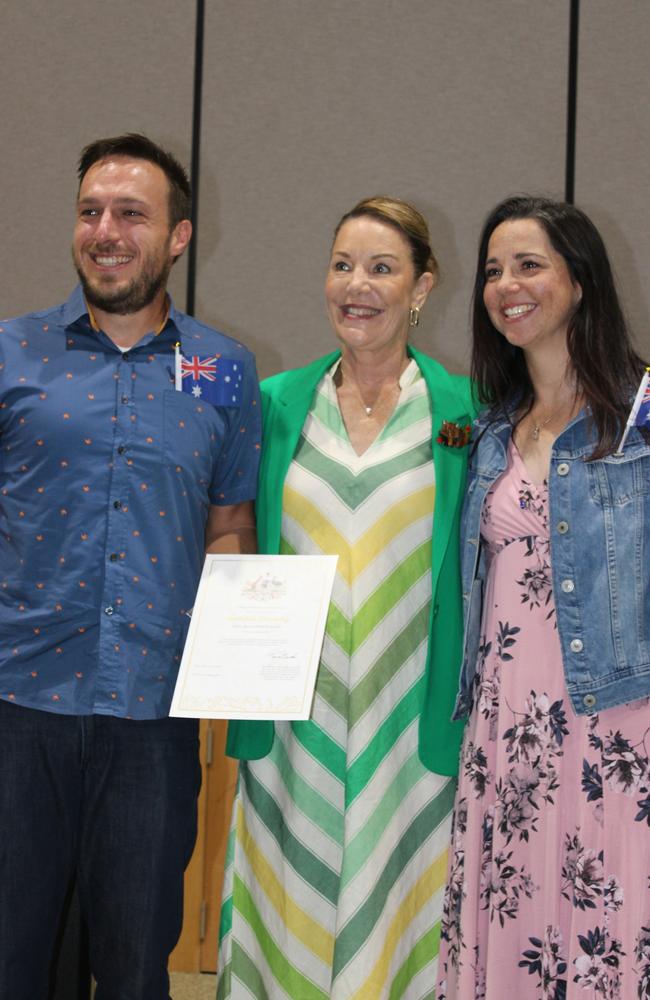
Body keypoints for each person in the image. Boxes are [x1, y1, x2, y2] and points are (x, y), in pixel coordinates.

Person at [0, 133, 260, 999]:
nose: (105, 230)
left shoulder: (221, 369)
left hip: (153, 718)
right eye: (89, 212)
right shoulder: (11, 354)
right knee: (13, 958)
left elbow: (230, 522)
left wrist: (236, 650)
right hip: (16, 710)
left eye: (131, 213)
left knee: (140, 963)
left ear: (179, 236)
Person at [218, 196, 476, 998]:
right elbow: (234, 534)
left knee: (403, 917)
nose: (355, 285)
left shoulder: (468, 414)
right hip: (295, 721)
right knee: (281, 914)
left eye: (381, 268)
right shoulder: (274, 404)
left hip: (412, 718)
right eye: (341, 265)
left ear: (422, 288)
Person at [436, 195, 650, 999]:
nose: (505, 285)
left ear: (582, 281)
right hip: (506, 726)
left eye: (529, 264)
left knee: (604, 918)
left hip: (615, 720)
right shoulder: (494, 428)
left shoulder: (640, 416)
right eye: (493, 269)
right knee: (516, 914)